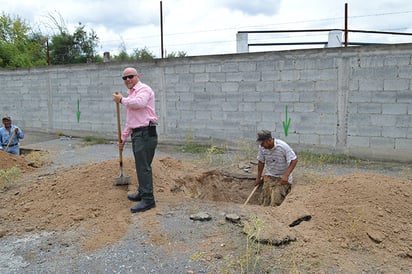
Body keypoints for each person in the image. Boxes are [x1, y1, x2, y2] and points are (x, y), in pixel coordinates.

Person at [112, 67, 158, 213]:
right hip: (138, 134)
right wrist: (123, 137)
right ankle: (142, 193)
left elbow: (140, 103)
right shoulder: (130, 95)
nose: (127, 80)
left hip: (146, 132)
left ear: (138, 76)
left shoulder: (144, 90)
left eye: (130, 76)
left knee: (144, 167)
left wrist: (122, 100)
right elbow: (130, 120)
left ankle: (149, 200)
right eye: (124, 78)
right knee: (141, 165)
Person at [255, 129, 298, 206]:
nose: (261, 145)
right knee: (264, 201)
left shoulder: (283, 147)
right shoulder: (262, 148)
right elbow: (261, 162)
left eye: (262, 143)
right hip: (270, 176)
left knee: (275, 201)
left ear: (269, 140)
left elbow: (294, 160)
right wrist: (258, 178)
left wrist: (286, 176)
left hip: (282, 178)